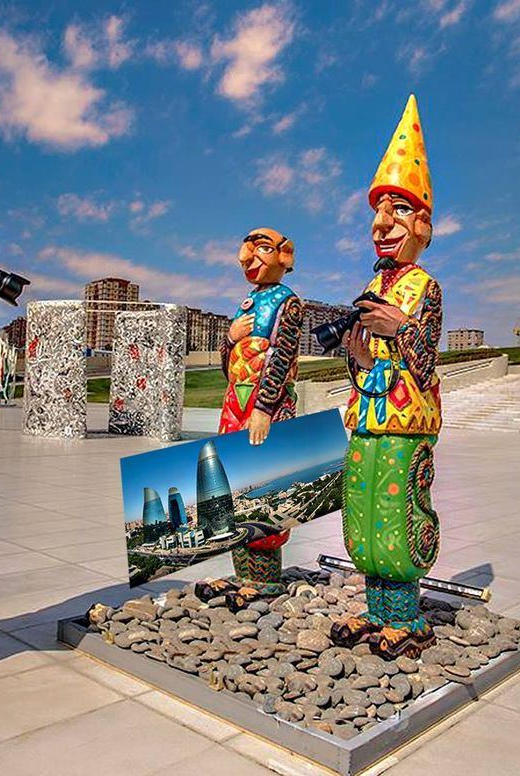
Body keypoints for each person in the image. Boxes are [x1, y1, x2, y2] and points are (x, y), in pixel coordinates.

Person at [330, 95, 444, 660]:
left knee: (398, 512)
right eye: (378, 213)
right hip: (368, 416)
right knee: (362, 511)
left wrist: (399, 326)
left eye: (397, 210)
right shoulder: (374, 287)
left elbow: (425, 363)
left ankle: (403, 615)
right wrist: (356, 355)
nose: (381, 224)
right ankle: (376, 609)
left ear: (422, 224)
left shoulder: (426, 288)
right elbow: (367, 363)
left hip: (406, 419)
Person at [194, 228, 304, 609]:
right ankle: (243, 574)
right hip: (235, 405)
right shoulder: (248, 303)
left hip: (263, 409)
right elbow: (227, 368)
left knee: (264, 486)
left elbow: (283, 357)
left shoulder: (289, 303)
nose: (249, 259)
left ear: (283, 256)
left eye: (262, 249)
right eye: (248, 250)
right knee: (234, 486)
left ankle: (264, 578)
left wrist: (264, 407)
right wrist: (229, 338)